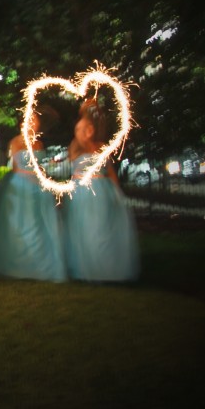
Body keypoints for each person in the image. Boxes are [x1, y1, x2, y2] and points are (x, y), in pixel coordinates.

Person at [0, 111, 67, 282]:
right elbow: (17, 167)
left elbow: (40, 166)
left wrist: (45, 174)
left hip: (39, 186)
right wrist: (33, 175)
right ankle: (18, 262)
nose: (33, 123)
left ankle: (41, 263)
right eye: (30, 121)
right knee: (21, 222)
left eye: (36, 121)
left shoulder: (39, 144)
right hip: (20, 185)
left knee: (41, 223)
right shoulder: (16, 142)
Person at [62, 100, 139, 282]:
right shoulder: (76, 147)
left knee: (103, 230)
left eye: (89, 127)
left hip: (103, 191)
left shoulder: (103, 146)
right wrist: (84, 117)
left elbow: (111, 172)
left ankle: (106, 268)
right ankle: (86, 268)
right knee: (86, 230)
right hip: (83, 192)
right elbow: (76, 163)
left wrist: (117, 193)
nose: (86, 131)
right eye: (82, 129)